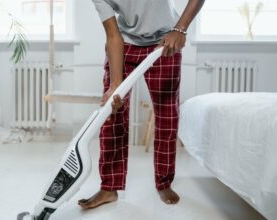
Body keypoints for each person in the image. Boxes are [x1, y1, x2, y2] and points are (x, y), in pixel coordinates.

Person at [78, 0, 205, 209]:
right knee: (112, 113)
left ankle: (164, 182)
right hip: (125, 43)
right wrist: (116, 86)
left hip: (166, 41)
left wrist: (179, 29)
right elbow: (112, 35)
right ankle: (109, 187)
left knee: (166, 116)